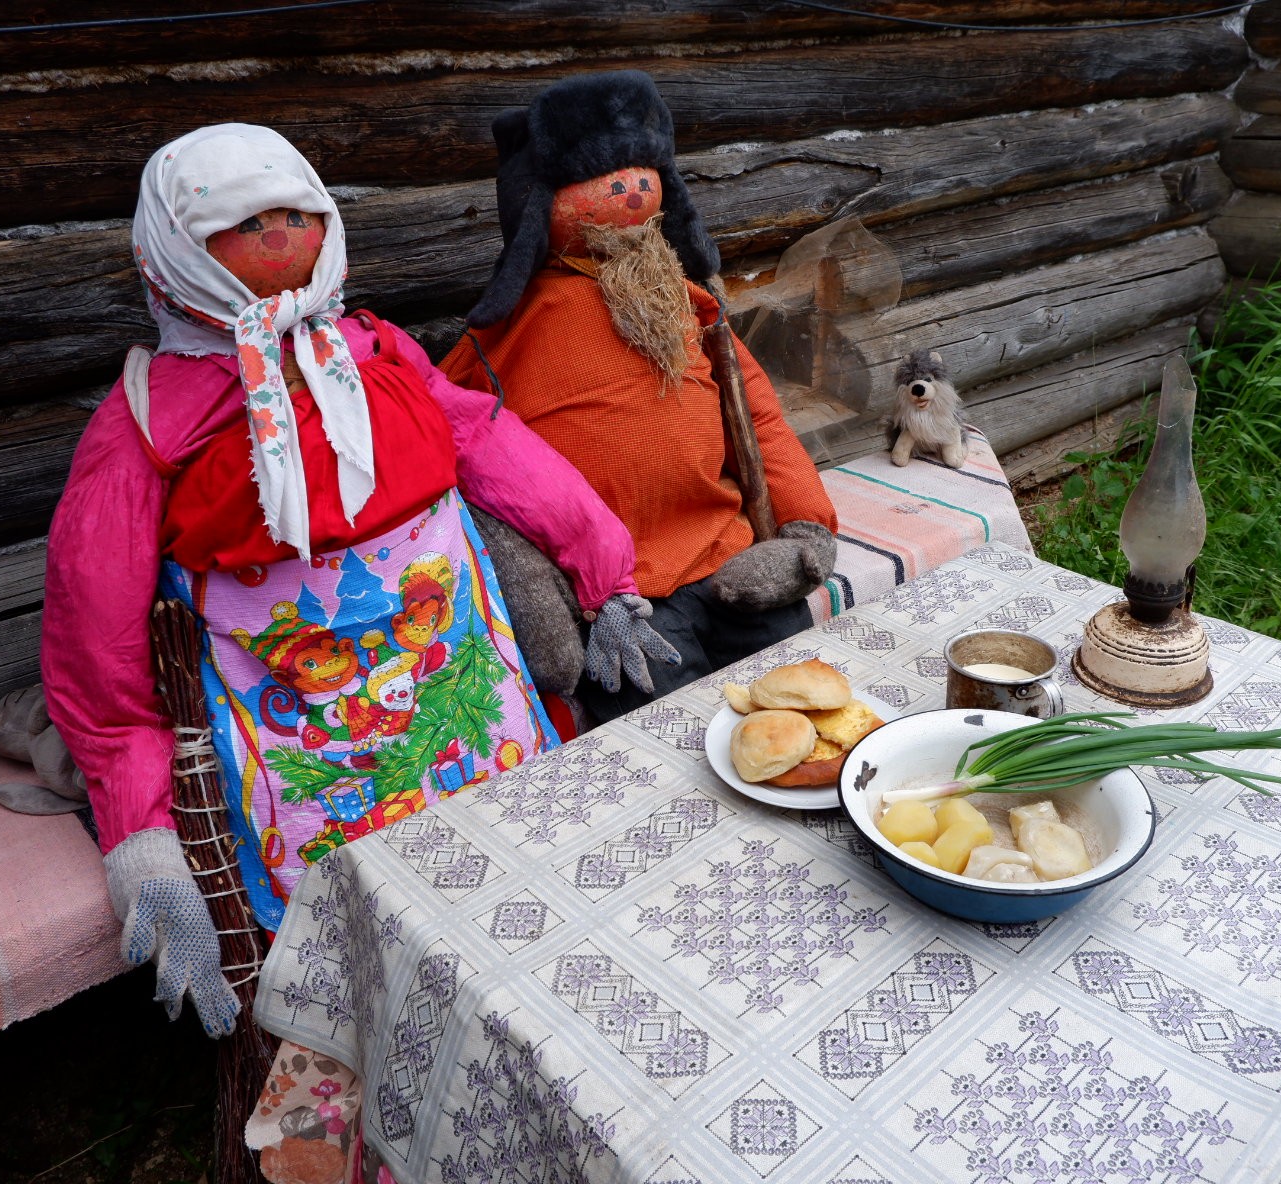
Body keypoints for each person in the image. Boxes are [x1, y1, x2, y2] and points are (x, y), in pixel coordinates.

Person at [41, 123, 669, 1032]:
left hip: (462, 696)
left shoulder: (375, 354)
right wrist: (140, 838)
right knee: (371, 959)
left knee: (517, 883)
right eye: (247, 222)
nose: (281, 237)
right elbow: (93, 647)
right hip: (308, 750)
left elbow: (488, 442)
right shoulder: (146, 429)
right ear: (174, 252)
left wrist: (604, 576)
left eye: (298, 213)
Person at [439, 70, 839, 724]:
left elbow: (756, 415)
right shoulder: (507, 335)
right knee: (668, 745)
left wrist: (804, 526)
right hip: (620, 601)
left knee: (800, 714)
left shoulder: (688, 303)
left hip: (731, 559)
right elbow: (455, 445)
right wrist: (539, 603)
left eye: (641, 176)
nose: (629, 192)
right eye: (606, 179)